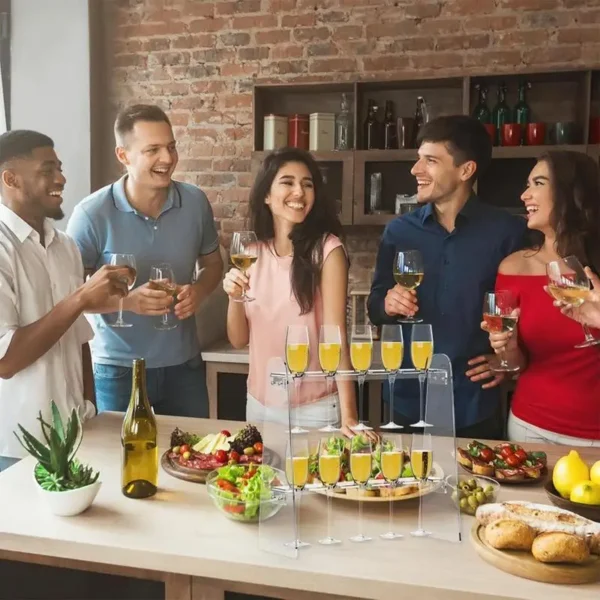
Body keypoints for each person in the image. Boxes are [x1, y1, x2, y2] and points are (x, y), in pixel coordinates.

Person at [368, 115, 527, 439]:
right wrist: (387, 303)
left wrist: (508, 365)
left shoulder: (507, 233)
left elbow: (526, 312)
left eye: (430, 161)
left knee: (474, 489)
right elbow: (375, 306)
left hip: (472, 401)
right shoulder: (399, 231)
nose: (415, 170)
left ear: (465, 170)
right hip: (405, 397)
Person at [67, 105, 223, 418]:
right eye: (152, 150)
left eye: (171, 147)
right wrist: (128, 303)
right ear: (123, 155)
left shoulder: (195, 202)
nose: (167, 158)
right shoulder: (91, 214)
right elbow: (69, 299)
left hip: (185, 368)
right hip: (118, 372)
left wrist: (200, 290)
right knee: (121, 463)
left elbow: (213, 265)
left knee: (194, 459)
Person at [0, 130, 130, 471]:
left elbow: (79, 336)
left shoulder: (65, 246)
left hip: (77, 434)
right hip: (16, 446)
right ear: (10, 178)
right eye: (47, 170)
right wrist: (81, 298)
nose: (61, 178)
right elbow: (6, 360)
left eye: (59, 168)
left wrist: (89, 405)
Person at [223, 148, 359, 436]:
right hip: (259, 405)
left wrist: (350, 416)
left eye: (307, 184)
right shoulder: (250, 253)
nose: (299, 191)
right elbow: (238, 340)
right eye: (287, 182)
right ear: (266, 195)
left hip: (314, 409)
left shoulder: (327, 250)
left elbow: (335, 337)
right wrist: (234, 296)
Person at [483, 151, 600, 445]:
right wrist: (506, 348)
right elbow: (514, 365)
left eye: (538, 182)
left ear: (570, 193)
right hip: (532, 429)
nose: (524, 195)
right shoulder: (512, 268)